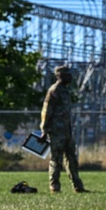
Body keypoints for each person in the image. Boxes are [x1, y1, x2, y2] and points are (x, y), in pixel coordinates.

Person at [40, 65, 86, 194]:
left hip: (66, 130)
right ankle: (54, 186)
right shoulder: (54, 90)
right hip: (56, 131)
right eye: (68, 74)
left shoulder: (65, 91)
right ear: (60, 76)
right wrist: (44, 129)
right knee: (56, 159)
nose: (70, 77)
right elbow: (46, 111)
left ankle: (78, 186)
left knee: (72, 159)